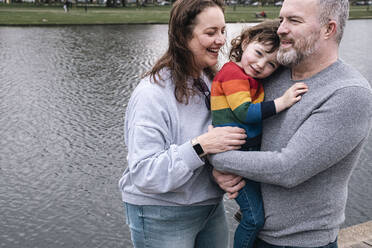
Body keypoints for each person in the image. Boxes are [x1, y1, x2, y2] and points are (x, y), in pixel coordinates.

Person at [210, 0, 372, 247]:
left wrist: (214, 156)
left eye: (293, 21)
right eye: (282, 18)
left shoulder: (349, 93)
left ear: (328, 29)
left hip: (300, 243)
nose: (280, 29)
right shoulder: (273, 72)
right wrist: (221, 172)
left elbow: (287, 169)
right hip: (257, 232)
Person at [118, 0, 247, 247]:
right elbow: (145, 174)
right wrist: (201, 146)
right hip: (160, 214)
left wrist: (217, 172)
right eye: (210, 33)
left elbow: (215, 145)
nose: (220, 40)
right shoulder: (152, 93)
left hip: (209, 207)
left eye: (222, 31)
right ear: (182, 36)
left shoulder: (211, 81)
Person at [211, 20, 308, 248]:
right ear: (245, 42)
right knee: (254, 219)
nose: (260, 64)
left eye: (271, 65)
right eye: (258, 53)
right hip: (237, 158)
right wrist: (282, 102)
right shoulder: (233, 73)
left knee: (254, 213)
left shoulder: (248, 79)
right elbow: (244, 112)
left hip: (246, 156)